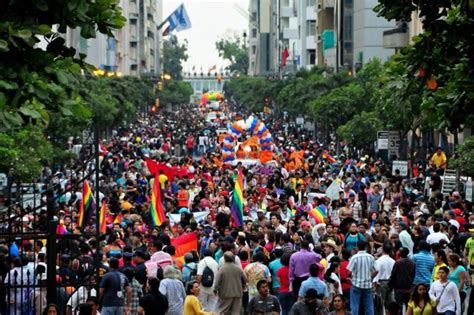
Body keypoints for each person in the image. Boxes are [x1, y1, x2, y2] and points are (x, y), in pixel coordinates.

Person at [347, 240, 376, 315]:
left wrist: (350, 277)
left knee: (355, 305)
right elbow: (376, 271)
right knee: (369, 305)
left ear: (357, 247)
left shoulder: (354, 257)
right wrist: (370, 277)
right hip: (367, 285)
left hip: (356, 284)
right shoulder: (370, 257)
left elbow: (349, 272)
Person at [388, 247, 415, 312]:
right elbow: (413, 274)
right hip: (408, 288)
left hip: (399, 288)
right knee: (408, 307)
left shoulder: (398, 262)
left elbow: (393, 275)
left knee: (399, 307)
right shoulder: (412, 263)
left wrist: (390, 285)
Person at [373, 244, 395, 312]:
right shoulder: (393, 261)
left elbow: (377, 273)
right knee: (390, 302)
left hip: (381, 282)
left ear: (382, 250)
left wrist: (375, 283)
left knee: (380, 302)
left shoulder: (379, 261)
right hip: (391, 282)